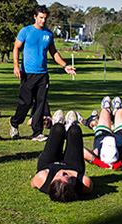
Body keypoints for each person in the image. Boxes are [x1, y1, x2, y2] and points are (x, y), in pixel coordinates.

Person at [10, 5, 77, 142]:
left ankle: (37, 132)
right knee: (26, 103)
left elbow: (54, 52)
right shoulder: (26, 31)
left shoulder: (48, 34)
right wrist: (16, 66)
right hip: (28, 74)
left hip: (43, 75)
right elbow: (16, 47)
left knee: (40, 104)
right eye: (41, 18)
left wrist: (65, 66)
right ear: (35, 17)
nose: (43, 21)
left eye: (45, 18)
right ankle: (14, 123)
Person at [31, 110, 93, 202]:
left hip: (50, 163)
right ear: (72, 185)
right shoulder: (84, 183)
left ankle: (58, 123)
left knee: (58, 129)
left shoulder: (42, 178)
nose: (61, 172)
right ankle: (70, 125)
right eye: (65, 176)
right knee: (75, 131)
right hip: (73, 166)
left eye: (57, 176)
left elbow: (33, 184)